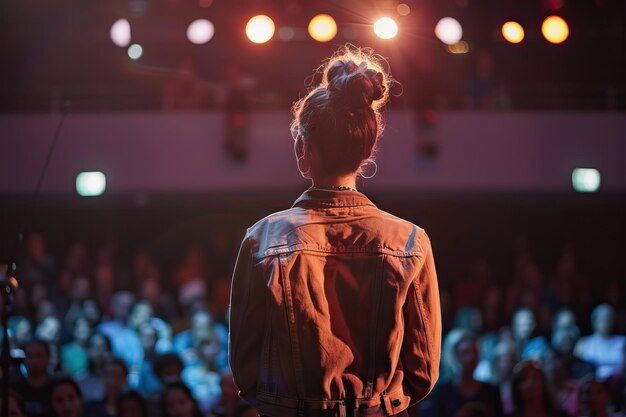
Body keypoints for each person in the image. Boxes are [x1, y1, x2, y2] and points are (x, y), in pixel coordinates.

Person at [228, 46, 442, 417]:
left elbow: (245, 371)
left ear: (302, 147)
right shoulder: (409, 240)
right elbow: (422, 373)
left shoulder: (263, 239)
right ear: (368, 147)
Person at [423, 332, 502, 417]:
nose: (471, 357)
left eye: (475, 352)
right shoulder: (441, 391)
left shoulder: (491, 392)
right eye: (466, 352)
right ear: (455, 356)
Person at [574, 304, 626, 381]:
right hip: (591, 387)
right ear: (594, 321)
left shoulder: (622, 342)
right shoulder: (583, 343)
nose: (605, 322)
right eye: (601, 319)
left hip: (617, 386)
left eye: (608, 318)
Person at [11, 339, 54, 417]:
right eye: (29, 356)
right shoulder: (14, 389)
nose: (34, 361)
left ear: (48, 358)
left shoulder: (58, 388)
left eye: (39, 355)